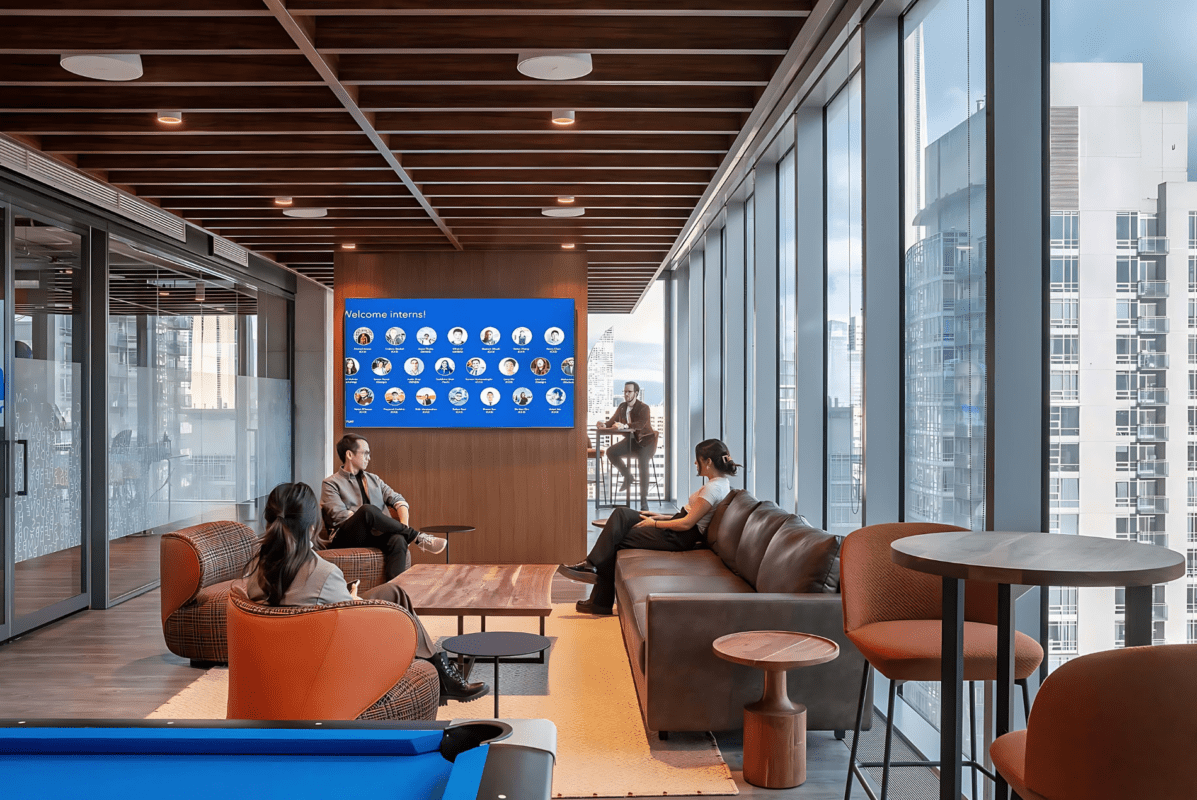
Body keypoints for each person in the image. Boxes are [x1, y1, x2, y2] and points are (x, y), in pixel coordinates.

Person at [235, 482, 487, 704]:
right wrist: (353, 598)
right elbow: (350, 618)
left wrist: (344, 597)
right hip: (333, 655)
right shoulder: (322, 572)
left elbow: (306, 599)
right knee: (394, 605)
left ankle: (441, 673)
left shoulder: (256, 570)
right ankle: (443, 674)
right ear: (312, 527)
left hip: (295, 649)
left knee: (393, 592)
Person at [559, 439, 737, 615]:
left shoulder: (712, 489)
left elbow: (687, 524)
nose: (695, 463)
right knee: (622, 514)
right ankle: (592, 570)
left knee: (617, 540)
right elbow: (691, 516)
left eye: (697, 459)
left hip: (679, 537)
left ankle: (597, 593)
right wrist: (660, 516)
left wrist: (656, 524)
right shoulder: (719, 485)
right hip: (679, 529)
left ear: (708, 462)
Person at [322, 434, 447, 581]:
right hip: (346, 537)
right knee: (367, 510)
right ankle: (417, 537)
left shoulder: (374, 479)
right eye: (365, 453)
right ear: (349, 454)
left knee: (398, 539)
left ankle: (393, 593)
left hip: (375, 534)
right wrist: (375, 520)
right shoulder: (331, 483)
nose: (368, 458)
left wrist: (402, 526)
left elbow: (398, 500)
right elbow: (340, 516)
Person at [604, 381, 659, 508]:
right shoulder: (622, 406)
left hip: (646, 442)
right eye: (624, 391)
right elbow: (612, 421)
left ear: (636, 393)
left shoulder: (644, 408)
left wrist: (625, 425)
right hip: (632, 441)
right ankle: (628, 476)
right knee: (610, 452)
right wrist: (603, 425)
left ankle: (643, 500)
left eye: (629, 392)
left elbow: (640, 424)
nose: (626, 394)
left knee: (642, 461)